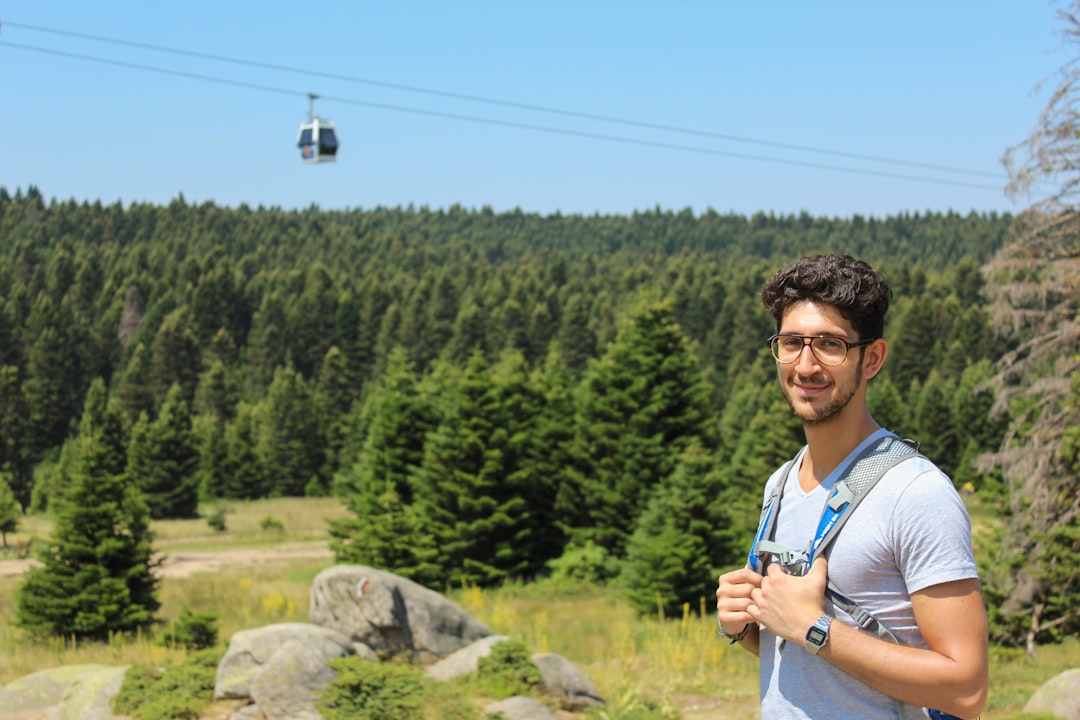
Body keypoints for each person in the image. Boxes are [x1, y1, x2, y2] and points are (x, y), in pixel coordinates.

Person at [715, 254, 988, 720]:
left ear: (872, 359)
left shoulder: (916, 494)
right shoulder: (781, 483)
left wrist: (813, 626)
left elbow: (965, 689)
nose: (805, 365)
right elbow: (821, 671)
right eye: (791, 342)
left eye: (830, 345)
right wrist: (744, 627)